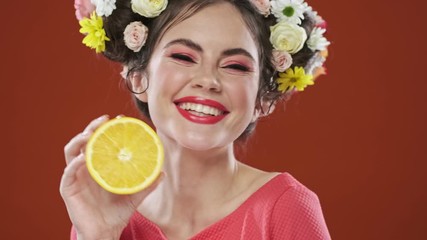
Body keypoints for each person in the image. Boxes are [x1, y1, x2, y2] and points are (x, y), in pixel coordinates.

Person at [61, 0, 331, 239]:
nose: (208, 81)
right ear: (138, 76)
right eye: (183, 57)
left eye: (235, 66)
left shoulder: (286, 207)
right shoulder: (104, 211)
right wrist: (96, 235)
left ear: (264, 99)